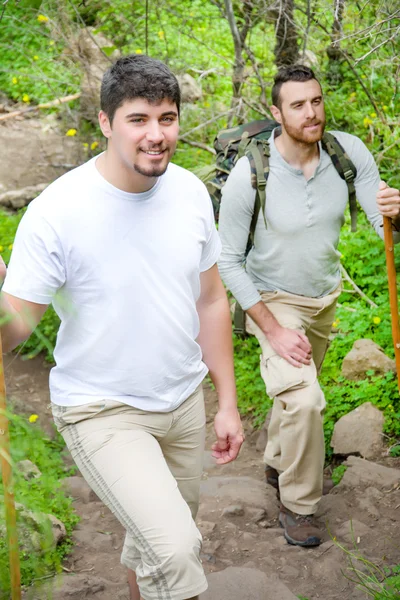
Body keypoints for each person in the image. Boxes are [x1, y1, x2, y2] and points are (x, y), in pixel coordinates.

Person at [0, 54, 244, 600]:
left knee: (150, 546)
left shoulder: (190, 194)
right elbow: (14, 329)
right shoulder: (56, 212)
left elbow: (209, 300)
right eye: (139, 119)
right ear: (107, 123)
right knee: (177, 549)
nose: (157, 135)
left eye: (168, 118)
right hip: (101, 409)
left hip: (182, 402)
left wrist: (226, 400)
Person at [217, 64, 400, 548]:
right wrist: (273, 329)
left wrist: (395, 216)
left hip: (323, 297)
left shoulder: (346, 153)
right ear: (277, 113)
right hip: (273, 300)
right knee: (305, 398)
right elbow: (228, 261)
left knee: (296, 392)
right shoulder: (250, 175)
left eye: (316, 101)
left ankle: (279, 462)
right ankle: (299, 506)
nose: (311, 112)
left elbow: (380, 221)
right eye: (298, 105)